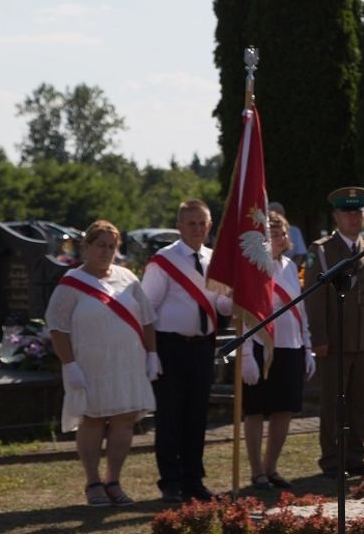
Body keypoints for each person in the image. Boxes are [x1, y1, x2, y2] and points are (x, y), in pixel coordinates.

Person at [46, 220, 161, 507]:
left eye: (112, 246)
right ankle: (93, 482)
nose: (106, 251)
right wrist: (69, 364)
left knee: (124, 421)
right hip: (89, 365)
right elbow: (57, 327)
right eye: (100, 245)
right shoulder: (71, 283)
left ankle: (113, 481)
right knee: (93, 420)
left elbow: (146, 319)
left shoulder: (127, 278)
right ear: (86, 247)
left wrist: (152, 353)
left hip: (128, 362)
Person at [142, 199, 233, 503]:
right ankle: (170, 480)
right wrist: (151, 353)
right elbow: (147, 309)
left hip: (203, 346)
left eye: (202, 223)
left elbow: (219, 304)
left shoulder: (214, 259)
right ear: (179, 226)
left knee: (196, 415)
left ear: (210, 226)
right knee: (170, 416)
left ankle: (194, 480)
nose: (197, 229)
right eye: (191, 223)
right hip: (170, 346)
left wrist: (235, 299)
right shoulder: (163, 260)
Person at [304, 186, 364, 478]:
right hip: (335, 340)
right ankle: (331, 459)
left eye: (358, 212)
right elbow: (314, 299)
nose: (353, 217)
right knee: (333, 402)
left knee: (361, 402)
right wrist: (320, 338)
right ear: (336, 216)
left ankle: (356, 457)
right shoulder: (322, 251)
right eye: (347, 212)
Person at [240, 210, 317, 490]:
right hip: (261, 347)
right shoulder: (255, 268)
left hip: (291, 347)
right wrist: (246, 353)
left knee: (284, 410)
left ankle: (272, 468)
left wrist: (306, 348)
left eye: (283, 232)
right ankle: (256, 470)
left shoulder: (288, 266)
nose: (281, 237)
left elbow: (301, 310)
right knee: (256, 411)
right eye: (273, 233)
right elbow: (246, 313)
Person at [268, 200, 307, 267]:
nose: (281, 238)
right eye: (275, 235)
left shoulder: (291, 267)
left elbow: (299, 255)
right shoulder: (260, 266)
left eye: (284, 234)